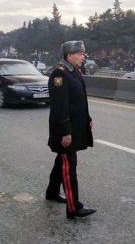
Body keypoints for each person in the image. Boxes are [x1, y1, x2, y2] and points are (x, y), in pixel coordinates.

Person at [46, 40, 96, 219]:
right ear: (69, 55)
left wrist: (87, 118)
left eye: (83, 53)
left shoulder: (74, 71)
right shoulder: (59, 75)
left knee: (62, 161)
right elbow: (60, 107)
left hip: (75, 127)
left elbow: (79, 100)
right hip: (65, 130)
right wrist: (66, 132)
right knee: (69, 167)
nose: (83, 57)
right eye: (80, 54)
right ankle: (73, 207)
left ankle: (52, 192)